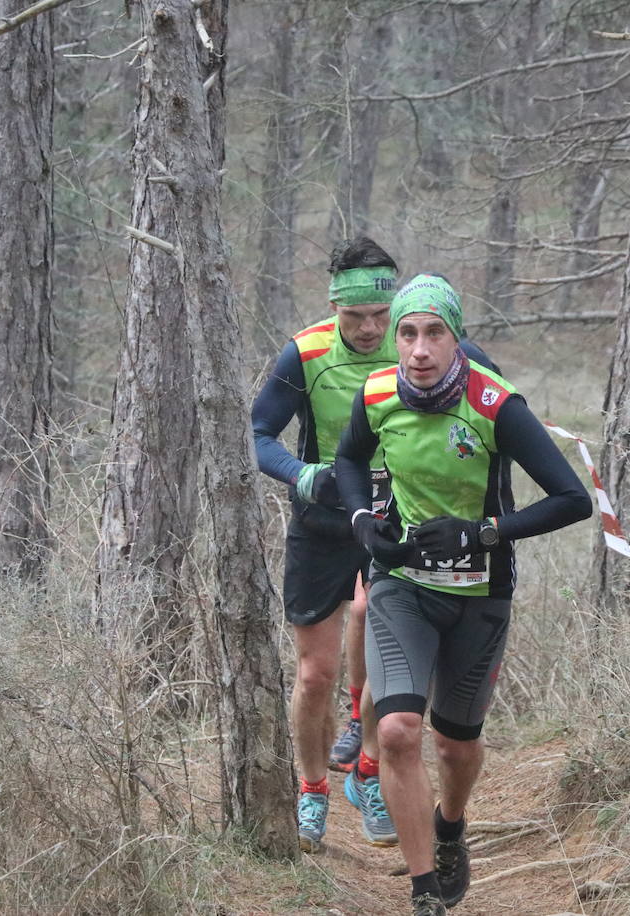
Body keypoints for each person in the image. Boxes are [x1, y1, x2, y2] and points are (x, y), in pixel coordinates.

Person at [335, 275, 592, 915]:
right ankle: (425, 894)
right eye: (408, 333)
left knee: (454, 744)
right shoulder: (376, 395)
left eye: (434, 333)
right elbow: (346, 463)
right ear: (396, 340)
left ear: (456, 340)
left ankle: (451, 826)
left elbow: (572, 500)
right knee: (395, 730)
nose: (419, 350)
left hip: (481, 591)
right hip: (404, 587)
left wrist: (485, 531)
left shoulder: (495, 403)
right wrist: (365, 522)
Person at [251, 236, 401, 852]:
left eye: (378, 316)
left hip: (394, 523)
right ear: (334, 306)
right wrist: (300, 474)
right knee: (315, 674)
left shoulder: (421, 343)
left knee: (383, 655)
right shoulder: (306, 353)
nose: (369, 330)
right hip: (321, 523)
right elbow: (261, 432)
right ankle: (312, 790)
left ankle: (366, 773)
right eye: (354, 317)